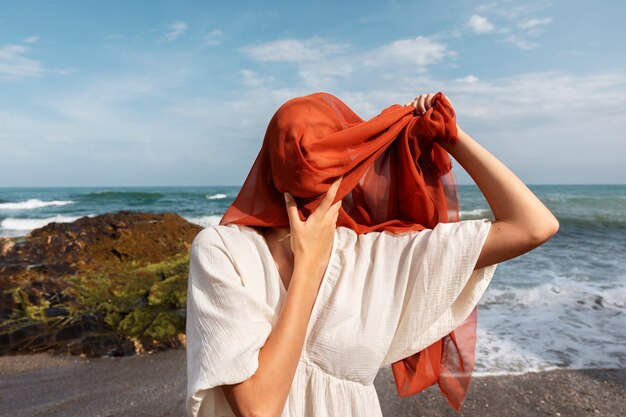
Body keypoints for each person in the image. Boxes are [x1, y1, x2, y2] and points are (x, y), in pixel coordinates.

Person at [185, 92, 559, 417]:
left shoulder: (372, 254)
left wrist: (452, 136)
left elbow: (534, 225)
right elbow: (258, 408)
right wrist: (309, 267)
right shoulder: (223, 250)